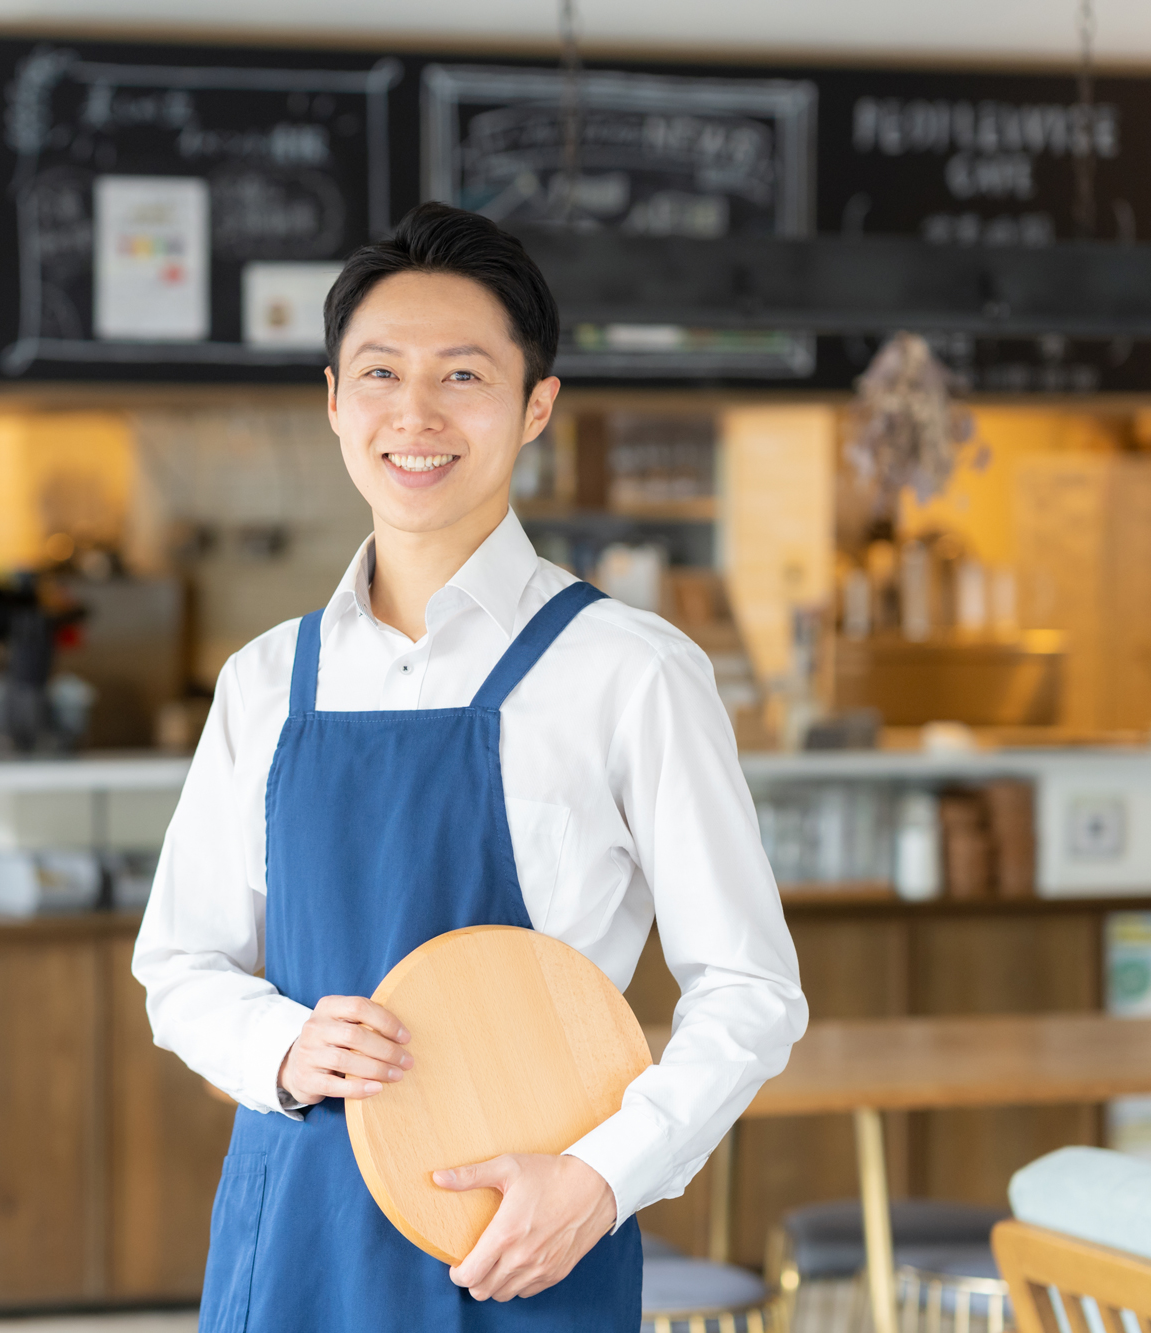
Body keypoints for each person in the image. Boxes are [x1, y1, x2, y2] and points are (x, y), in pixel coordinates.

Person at [131, 201, 806, 1331]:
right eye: (381, 374)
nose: (415, 413)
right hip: (291, 1230)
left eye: (461, 376)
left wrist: (600, 1178)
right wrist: (283, 1043)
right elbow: (179, 965)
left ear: (534, 404)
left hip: (518, 1238)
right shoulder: (263, 681)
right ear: (335, 403)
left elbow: (747, 991)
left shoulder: (629, 671)